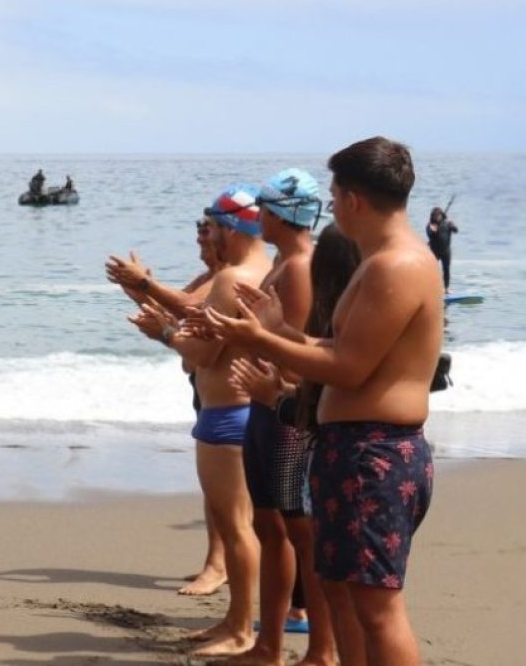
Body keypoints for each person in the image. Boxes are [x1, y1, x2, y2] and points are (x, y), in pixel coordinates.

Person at [207, 137, 441, 666]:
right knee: (342, 593)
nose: (330, 206)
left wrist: (260, 340)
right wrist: (280, 330)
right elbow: (342, 348)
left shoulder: (396, 265)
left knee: (378, 608)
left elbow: (349, 369)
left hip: (374, 455)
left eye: (334, 195)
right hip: (351, 451)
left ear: (354, 199)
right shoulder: (376, 262)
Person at [227, 168, 337, 666]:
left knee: (298, 533)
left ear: (280, 216)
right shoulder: (283, 262)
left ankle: (319, 648)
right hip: (266, 406)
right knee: (273, 529)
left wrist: (274, 380)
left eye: (265, 213)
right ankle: (270, 644)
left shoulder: (298, 267)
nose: (259, 220)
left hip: (285, 413)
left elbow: (297, 351)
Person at [157, 184, 272, 657]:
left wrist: (164, 332)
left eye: (214, 228)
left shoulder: (231, 280)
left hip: (227, 413)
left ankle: (241, 627)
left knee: (236, 524)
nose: (209, 237)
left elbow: (204, 352)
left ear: (232, 229)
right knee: (250, 523)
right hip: (255, 410)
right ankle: (236, 620)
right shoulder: (272, 270)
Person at [112, 217, 229, 596]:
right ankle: (216, 561)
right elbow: (179, 319)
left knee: (224, 491)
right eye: (197, 227)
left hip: (225, 396)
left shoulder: (225, 277)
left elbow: (188, 309)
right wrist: (139, 291)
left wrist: (146, 285)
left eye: (207, 228)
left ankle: (219, 565)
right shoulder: (205, 275)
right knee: (214, 488)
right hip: (204, 386)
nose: (200, 234)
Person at [425, 206, 458, 292]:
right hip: (434, 251)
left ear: (442, 215)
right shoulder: (430, 225)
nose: (437, 217)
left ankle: (446, 289)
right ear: (432, 216)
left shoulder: (447, 224)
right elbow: (429, 234)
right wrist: (432, 231)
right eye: (435, 216)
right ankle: (431, 289)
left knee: (446, 269)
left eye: (438, 215)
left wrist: (453, 226)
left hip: (446, 251)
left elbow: (456, 230)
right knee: (432, 270)